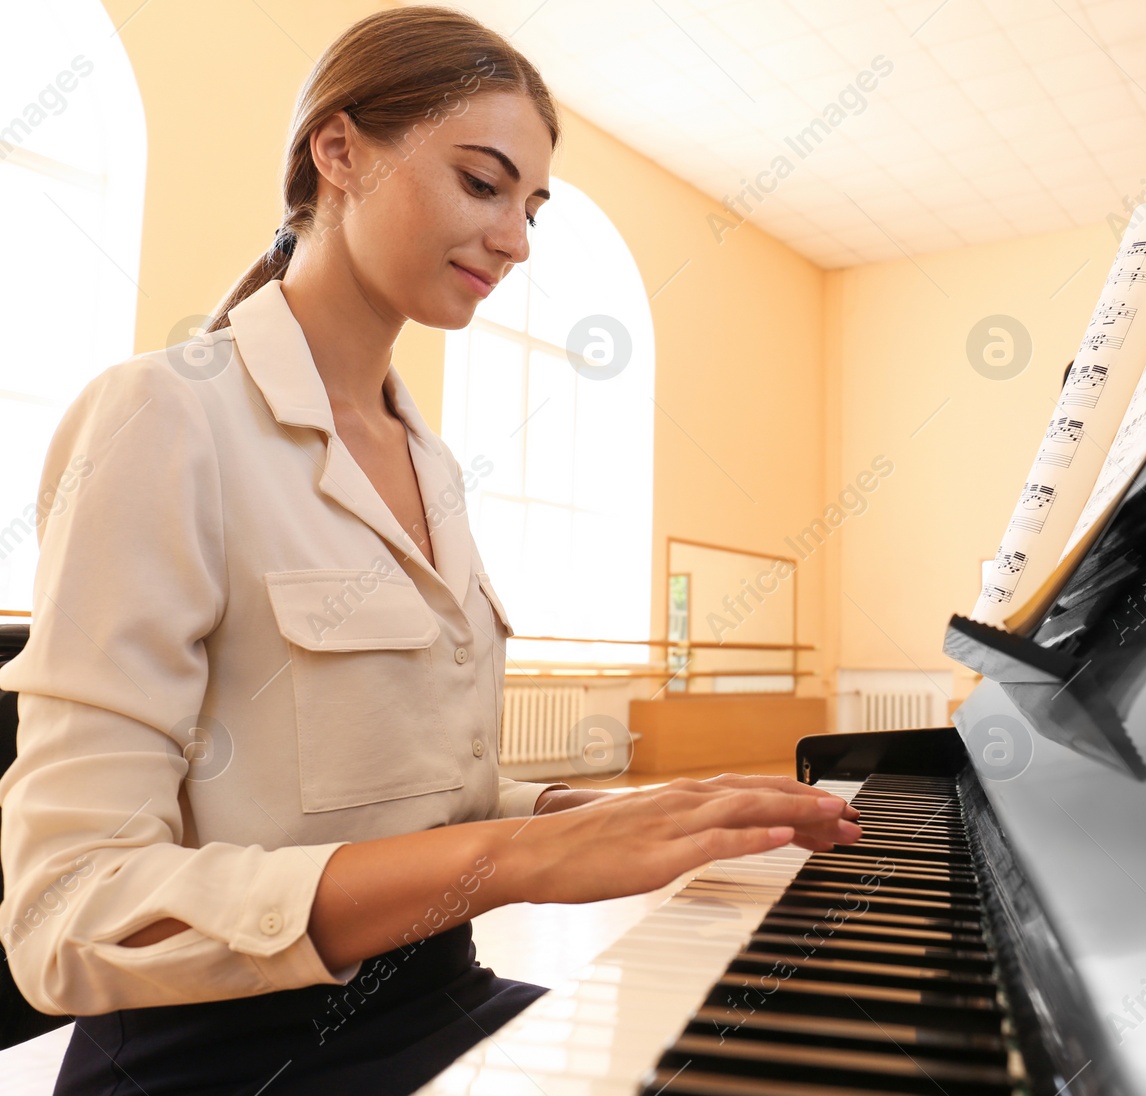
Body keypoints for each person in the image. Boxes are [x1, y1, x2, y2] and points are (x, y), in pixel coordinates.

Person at [0, 7, 860, 1093]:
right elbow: (69, 908)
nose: (516, 239)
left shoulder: (431, 462)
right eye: (483, 183)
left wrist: (591, 811)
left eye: (532, 207)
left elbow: (387, 796)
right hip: (234, 1055)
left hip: (437, 995)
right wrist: (516, 861)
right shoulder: (162, 418)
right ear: (340, 149)